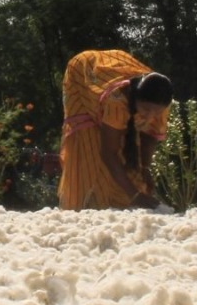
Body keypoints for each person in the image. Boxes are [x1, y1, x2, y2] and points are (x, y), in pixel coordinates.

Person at [57, 49, 172, 210]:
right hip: (83, 75)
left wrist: (145, 169)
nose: (150, 116)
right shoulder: (116, 101)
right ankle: (85, 207)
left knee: (131, 169)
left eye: (156, 112)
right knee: (90, 147)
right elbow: (108, 153)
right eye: (146, 109)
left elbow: (149, 137)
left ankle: (119, 201)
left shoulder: (159, 104)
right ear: (134, 97)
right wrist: (135, 195)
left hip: (113, 73)